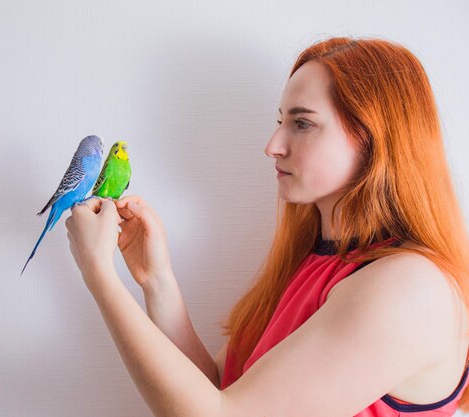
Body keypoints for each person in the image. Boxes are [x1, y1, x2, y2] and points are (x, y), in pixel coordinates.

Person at [64, 36, 469, 417]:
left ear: (372, 137)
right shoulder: (314, 260)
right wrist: (156, 280)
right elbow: (219, 392)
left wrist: (100, 277)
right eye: (281, 121)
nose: (272, 144)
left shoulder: (409, 289)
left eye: (302, 123)